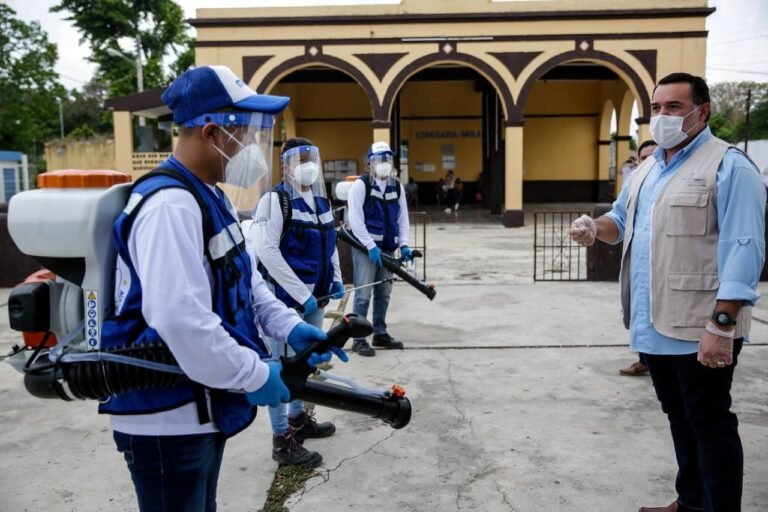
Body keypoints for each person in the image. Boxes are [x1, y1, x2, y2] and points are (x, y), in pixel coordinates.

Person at [99, 65, 342, 511]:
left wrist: (289, 326)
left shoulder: (214, 197)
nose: (253, 147)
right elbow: (180, 319)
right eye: (245, 133)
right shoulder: (170, 205)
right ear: (212, 132)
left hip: (202, 405)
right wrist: (255, 375)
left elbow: (247, 282)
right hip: (166, 419)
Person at [570, 72, 765, 512]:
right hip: (653, 322)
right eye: (656, 108)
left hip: (701, 325)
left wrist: (722, 325)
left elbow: (745, 248)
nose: (662, 117)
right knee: (680, 418)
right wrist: (591, 227)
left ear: (702, 111)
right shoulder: (647, 169)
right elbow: (619, 222)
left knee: (710, 423)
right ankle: (690, 500)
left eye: (673, 107)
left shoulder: (729, 165)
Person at [251, 137, 346, 467]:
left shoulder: (320, 202)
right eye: (301, 158)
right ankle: (281, 440)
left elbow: (330, 244)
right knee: (280, 368)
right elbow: (268, 252)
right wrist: (301, 294)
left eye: (312, 158)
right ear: (286, 165)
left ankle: (298, 421)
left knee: (305, 364)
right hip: (285, 304)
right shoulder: (276, 201)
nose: (308, 165)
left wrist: (336, 278)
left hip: (316, 299)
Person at [346, 141, 413, 356]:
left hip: (388, 248)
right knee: (363, 294)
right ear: (370, 163)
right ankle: (358, 338)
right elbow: (355, 220)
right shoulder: (361, 185)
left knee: (384, 293)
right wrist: (369, 245)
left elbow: (403, 218)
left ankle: (380, 333)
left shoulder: (396, 186)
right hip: (366, 249)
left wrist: (403, 244)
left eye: (388, 159)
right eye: (379, 159)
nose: (384, 163)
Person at [618, 139, 658, 377]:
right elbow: (618, 217)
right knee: (641, 311)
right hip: (642, 266)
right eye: (645, 157)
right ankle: (645, 358)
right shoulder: (636, 182)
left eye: (655, 154)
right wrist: (593, 227)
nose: (650, 160)